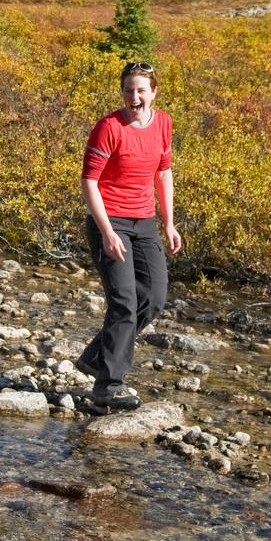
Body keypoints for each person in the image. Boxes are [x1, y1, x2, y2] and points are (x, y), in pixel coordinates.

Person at [76, 60, 181, 412]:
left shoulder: (163, 123)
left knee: (152, 298)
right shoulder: (109, 127)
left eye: (140, 90)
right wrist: (106, 231)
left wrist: (169, 222)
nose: (133, 97)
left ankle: (95, 357)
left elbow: (164, 172)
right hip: (110, 220)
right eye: (128, 90)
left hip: (145, 222)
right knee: (123, 302)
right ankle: (107, 386)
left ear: (154, 93)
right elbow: (89, 181)